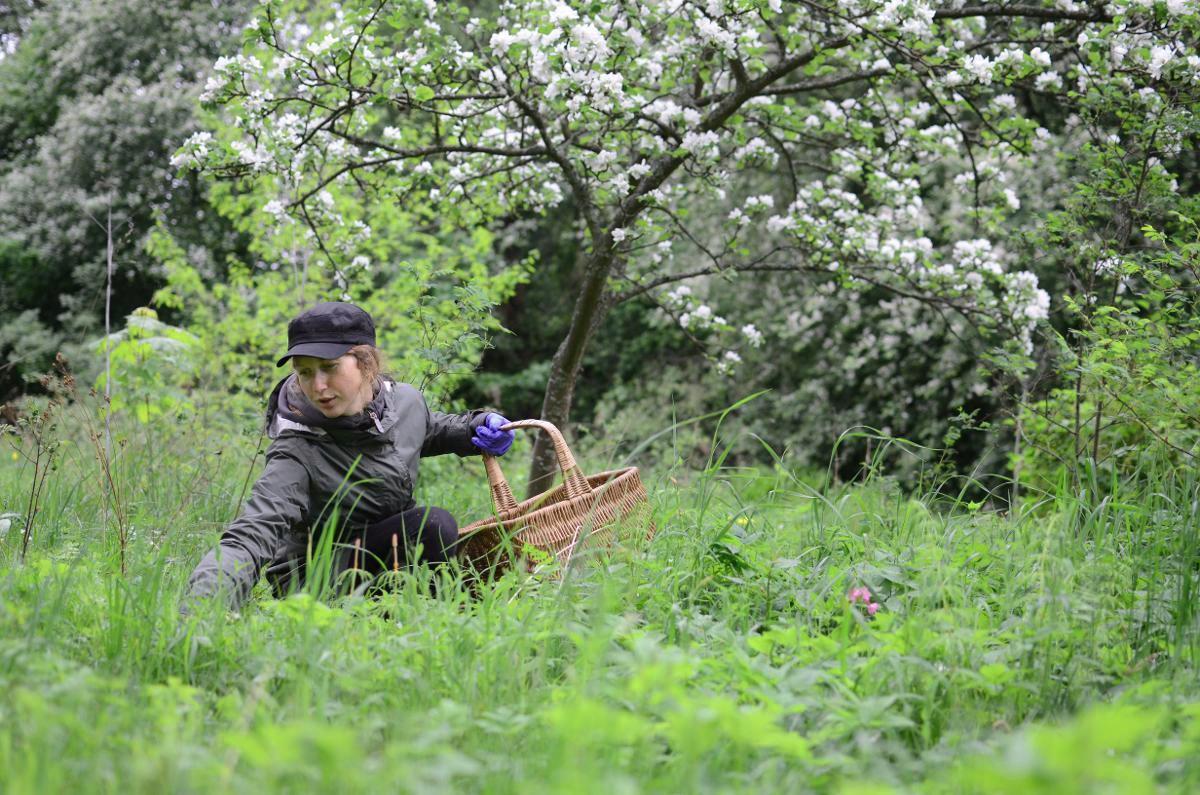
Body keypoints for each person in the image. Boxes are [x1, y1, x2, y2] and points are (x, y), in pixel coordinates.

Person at [184, 301, 514, 609]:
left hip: (383, 549)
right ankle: (426, 621)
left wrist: (478, 427)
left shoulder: (405, 403)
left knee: (430, 531)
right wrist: (203, 607)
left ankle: (430, 623)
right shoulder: (298, 446)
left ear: (367, 364)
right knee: (432, 526)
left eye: (329, 367)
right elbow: (251, 532)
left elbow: (430, 429)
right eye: (306, 372)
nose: (318, 387)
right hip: (314, 577)